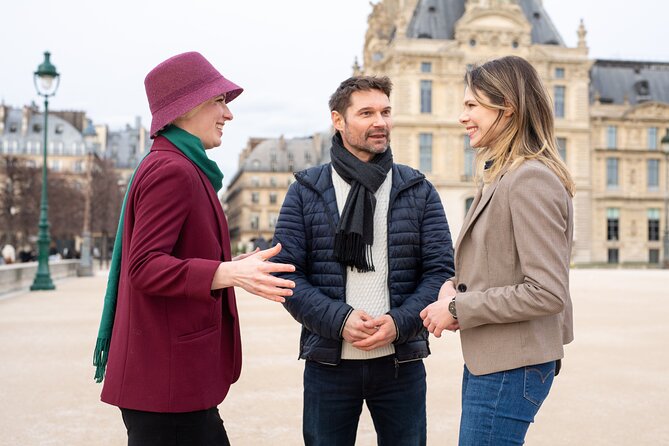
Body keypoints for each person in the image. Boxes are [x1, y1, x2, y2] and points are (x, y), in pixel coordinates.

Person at [92, 51, 296, 446]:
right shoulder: (173, 170)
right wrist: (227, 273)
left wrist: (232, 264)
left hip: (166, 378)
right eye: (219, 101)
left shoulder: (175, 164)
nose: (228, 113)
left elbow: (169, 255)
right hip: (167, 380)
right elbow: (145, 267)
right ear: (187, 107)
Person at [272, 75, 454, 446]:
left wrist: (399, 323)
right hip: (329, 363)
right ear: (338, 121)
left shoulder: (417, 189)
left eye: (386, 112)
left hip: (400, 363)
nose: (380, 122)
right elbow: (288, 276)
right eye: (367, 113)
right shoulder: (306, 190)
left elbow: (440, 272)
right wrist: (340, 321)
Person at [420, 55, 575, 445]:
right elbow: (500, 264)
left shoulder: (530, 179)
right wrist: (456, 285)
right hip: (498, 359)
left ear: (506, 109)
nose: (462, 116)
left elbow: (547, 292)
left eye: (472, 105)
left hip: (513, 365)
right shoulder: (505, 176)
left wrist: (457, 308)